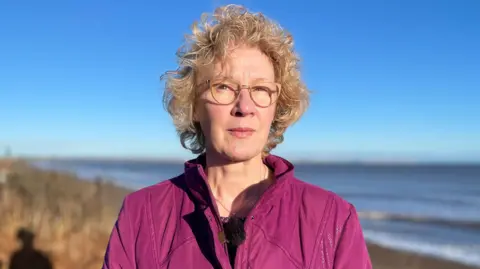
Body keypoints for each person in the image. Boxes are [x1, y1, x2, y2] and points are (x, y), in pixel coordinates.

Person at [102, 5, 372, 269]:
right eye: (223, 86)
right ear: (194, 104)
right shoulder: (141, 214)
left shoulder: (333, 219)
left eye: (260, 89)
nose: (244, 107)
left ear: (277, 105)